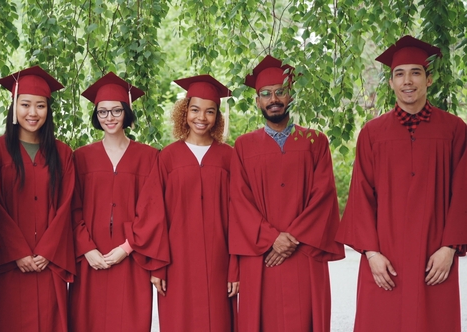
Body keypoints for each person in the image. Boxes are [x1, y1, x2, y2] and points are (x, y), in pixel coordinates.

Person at [336, 35, 467, 332]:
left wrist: (449, 248)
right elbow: (361, 197)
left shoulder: (454, 131)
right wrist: (371, 254)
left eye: (416, 72)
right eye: (399, 74)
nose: (407, 81)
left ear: (429, 79)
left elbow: (463, 193)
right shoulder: (372, 133)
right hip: (385, 259)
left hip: (434, 259)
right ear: (391, 83)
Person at [229, 55, 345, 332]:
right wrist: (272, 238)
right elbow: (239, 201)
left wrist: (290, 240)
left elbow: (324, 196)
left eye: (280, 91)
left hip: (305, 251)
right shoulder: (244, 146)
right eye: (265, 94)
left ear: (291, 95)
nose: (273, 99)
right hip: (262, 254)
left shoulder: (315, 141)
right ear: (257, 101)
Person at [68, 72, 169, 332]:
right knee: (87, 321)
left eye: (115, 111)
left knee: (128, 322)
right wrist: (87, 249)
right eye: (102, 112)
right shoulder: (81, 157)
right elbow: (71, 208)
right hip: (90, 258)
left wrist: (126, 247)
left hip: (131, 257)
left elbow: (153, 211)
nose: (109, 118)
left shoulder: (149, 157)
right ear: (96, 115)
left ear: (127, 111)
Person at [0, 66, 76, 332]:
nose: (33, 113)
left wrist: (46, 251)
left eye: (40, 106)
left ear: (49, 110)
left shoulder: (63, 153)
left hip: (49, 265)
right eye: (25, 105)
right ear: (14, 107)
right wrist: (18, 251)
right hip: (7, 266)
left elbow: (66, 204)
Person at [151, 75, 238, 331]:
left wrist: (236, 268)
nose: (202, 118)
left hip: (219, 261)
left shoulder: (229, 157)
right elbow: (155, 215)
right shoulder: (167, 158)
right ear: (184, 111)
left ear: (217, 117)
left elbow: (239, 216)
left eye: (210, 111)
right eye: (195, 110)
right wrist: (158, 265)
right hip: (177, 263)